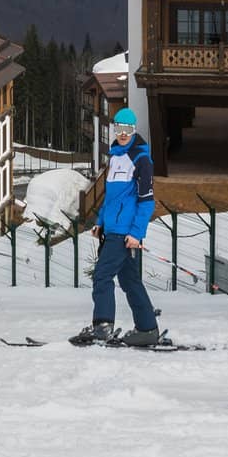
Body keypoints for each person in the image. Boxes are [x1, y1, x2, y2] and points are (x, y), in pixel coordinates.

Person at [72, 107, 160, 346]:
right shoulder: (115, 155)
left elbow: (146, 201)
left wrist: (136, 233)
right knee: (130, 281)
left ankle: (102, 326)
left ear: (133, 130)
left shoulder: (141, 159)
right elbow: (111, 198)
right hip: (112, 229)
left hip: (124, 233)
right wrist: (100, 222)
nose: (123, 133)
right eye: (119, 129)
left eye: (127, 129)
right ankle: (147, 329)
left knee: (102, 276)